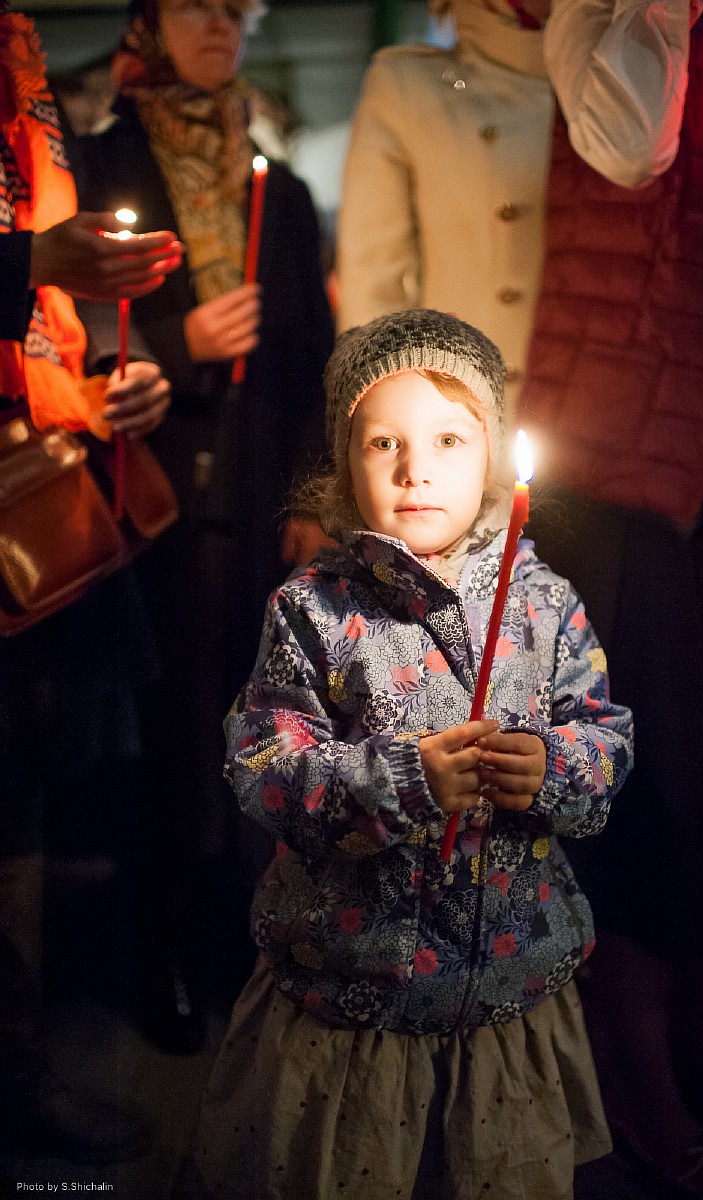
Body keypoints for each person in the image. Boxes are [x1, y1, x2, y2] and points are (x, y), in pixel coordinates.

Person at [173, 309, 634, 1200]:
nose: (415, 469)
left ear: (494, 455)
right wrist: (399, 780)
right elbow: (263, 765)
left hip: (504, 989)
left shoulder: (545, 605)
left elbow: (603, 738)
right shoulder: (313, 610)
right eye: (383, 442)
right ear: (343, 465)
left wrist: (554, 768)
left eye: (449, 439)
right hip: (354, 995)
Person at [518, 0, 703, 1191]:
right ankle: (628, 1067)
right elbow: (631, 146)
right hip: (628, 461)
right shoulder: (606, 15)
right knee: (649, 776)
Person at [75, 0, 335, 1044]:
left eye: (237, 8)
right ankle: (158, 954)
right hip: (147, 490)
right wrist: (182, 340)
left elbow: (314, 361)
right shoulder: (102, 165)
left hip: (256, 486)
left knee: (261, 719)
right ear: (149, 23)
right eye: (195, 4)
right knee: (166, 728)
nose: (220, 23)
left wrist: (312, 500)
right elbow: (72, 331)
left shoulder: (283, 188)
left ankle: (243, 946)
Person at [1, 2, 181, 1164]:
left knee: (16, 787)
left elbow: (48, 316)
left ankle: (18, 1074)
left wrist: (114, 372)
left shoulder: (19, 61)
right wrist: (30, 260)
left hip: (28, 486)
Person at [336, 0, 553, 415]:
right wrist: (385, 416)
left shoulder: (615, 93)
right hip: (459, 404)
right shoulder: (406, 86)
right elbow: (374, 280)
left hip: (594, 396)